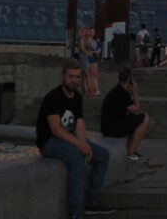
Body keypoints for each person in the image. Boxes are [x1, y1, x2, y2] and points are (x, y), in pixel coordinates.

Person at [35, 58, 115, 218]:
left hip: (68, 139)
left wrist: (84, 142)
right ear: (63, 76)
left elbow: (79, 123)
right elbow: (56, 129)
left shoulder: (77, 97)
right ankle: (76, 213)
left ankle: (92, 203)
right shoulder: (53, 97)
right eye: (71, 77)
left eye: (77, 77)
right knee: (76, 158)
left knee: (103, 155)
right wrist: (78, 144)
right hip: (49, 142)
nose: (74, 81)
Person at [100, 65, 150, 162]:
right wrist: (135, 92)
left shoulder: (119, 90)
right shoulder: (121, 93)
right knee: (144, 118)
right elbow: (137, 109)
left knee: (137, 118)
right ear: (130, 79)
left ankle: (130, 150)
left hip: (110, 125)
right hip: (111, 128)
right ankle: (131, 152)